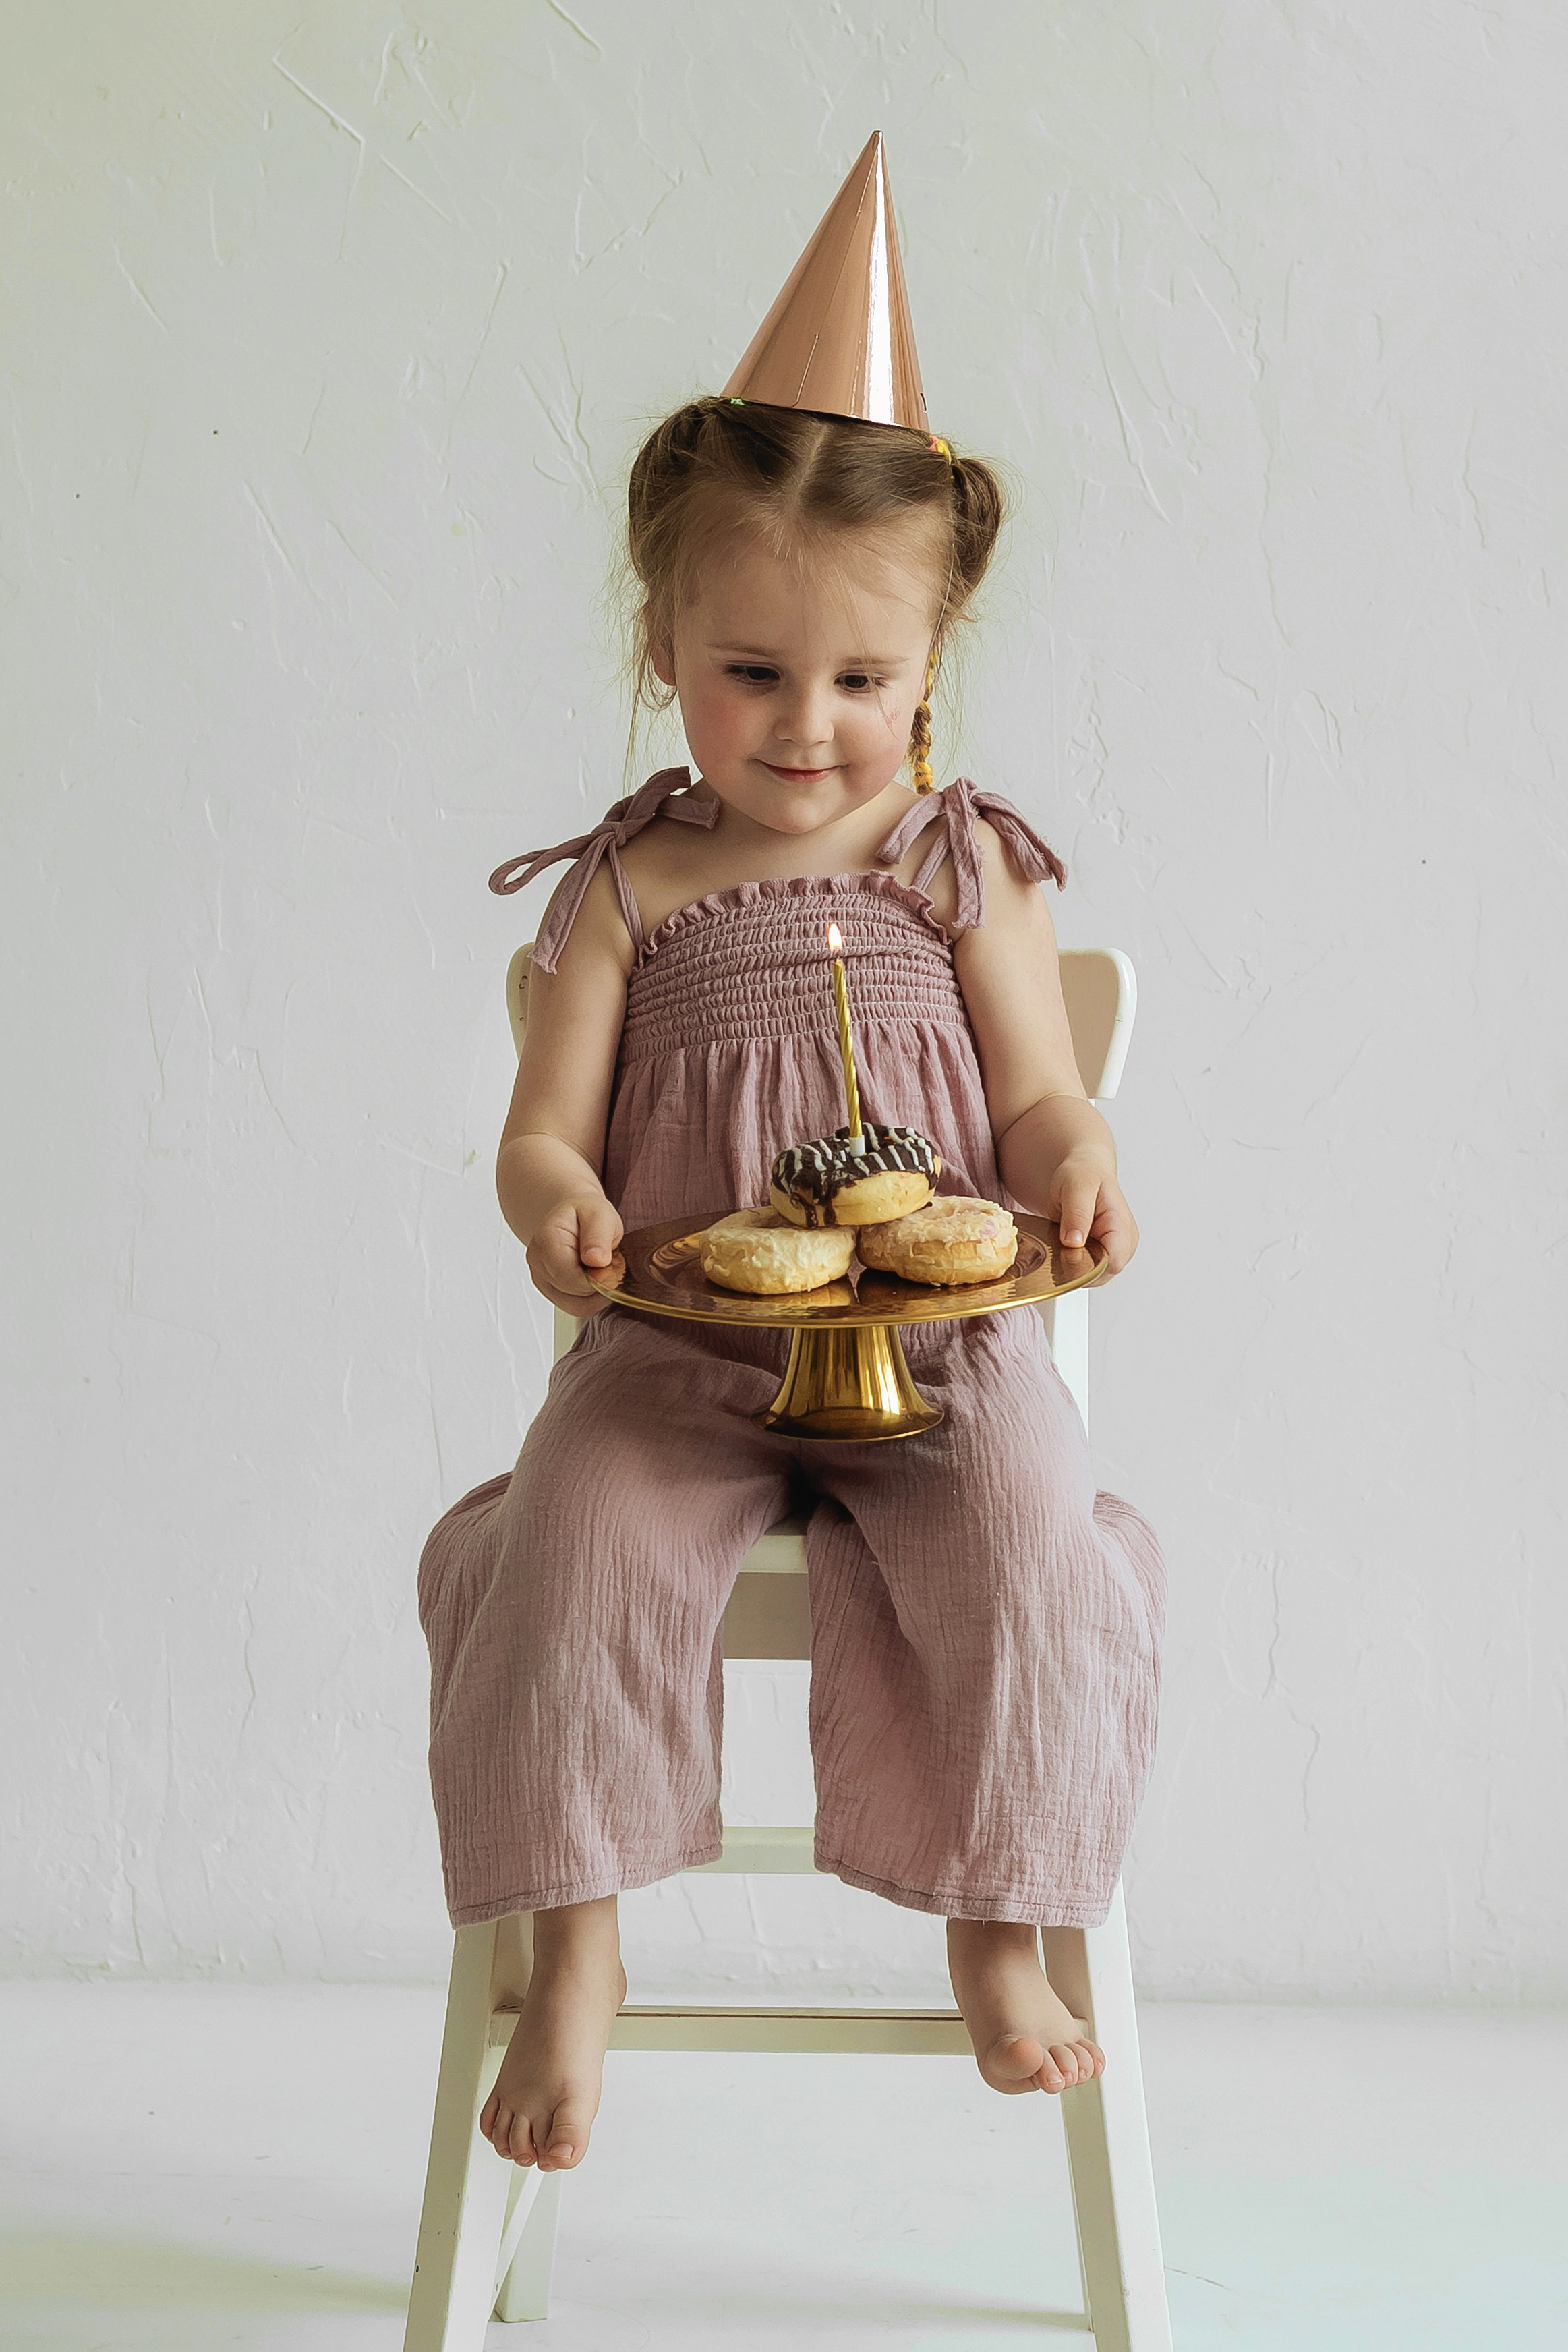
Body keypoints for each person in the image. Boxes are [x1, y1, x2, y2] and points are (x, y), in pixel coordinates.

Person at [417, 135, 1164, 2179]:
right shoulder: (629, 885)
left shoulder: (956, 864)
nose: (809, 725)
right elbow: (541, 1138)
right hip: (678, 1353)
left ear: (939, 662)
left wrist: (1078, 1148)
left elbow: (1032, 1107)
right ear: (664, 636)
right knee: (562, 1541)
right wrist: (559, 1207)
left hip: (945, 1350)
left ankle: (1003, 1927)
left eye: (863, 678)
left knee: (1029, 1530)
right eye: (753, 671)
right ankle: (575, 1946)